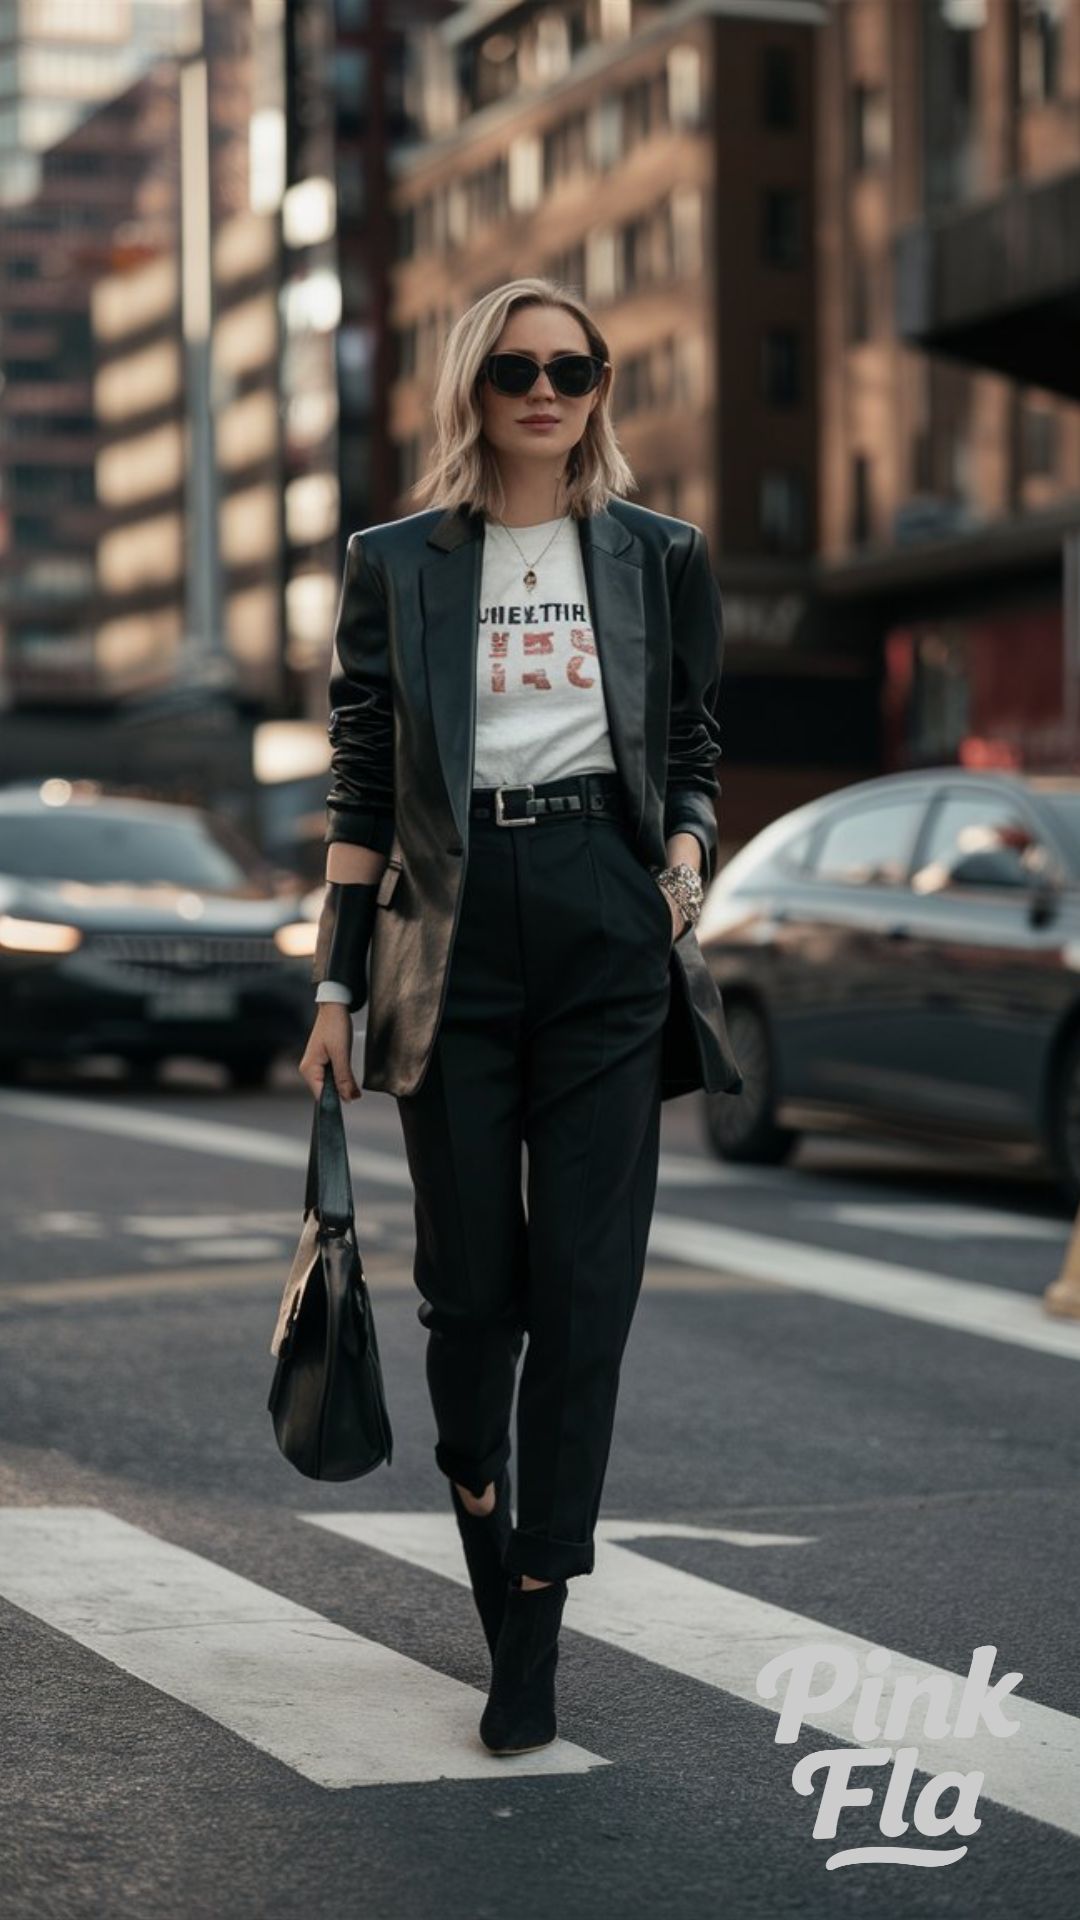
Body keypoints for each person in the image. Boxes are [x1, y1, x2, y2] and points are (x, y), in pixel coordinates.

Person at [298, 276, 742, 1757]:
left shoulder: (659, 556)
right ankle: (478, 1488)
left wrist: (680, 857)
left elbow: (688, 739)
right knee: (476, 1293)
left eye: (574, 368)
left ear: (603, 387)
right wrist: (336, 982)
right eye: (515, 370)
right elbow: (363, 786)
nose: (545, 391)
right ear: (471, 390)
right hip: (455, 930)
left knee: (590, 1289)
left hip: (608, 919)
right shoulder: (399, 564)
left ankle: (536, 1611)